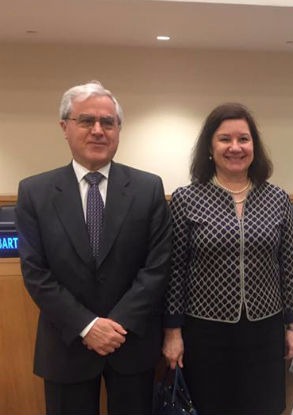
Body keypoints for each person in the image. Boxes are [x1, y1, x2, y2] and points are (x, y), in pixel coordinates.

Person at [15, 81, 172, 414]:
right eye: (86, 121)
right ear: (65, 128)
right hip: (66, 345)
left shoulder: (148, 188)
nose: (98, 130)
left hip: (131, 345)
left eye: (108, 122)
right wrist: (87, 326)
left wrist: (116, 326)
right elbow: (36, 272)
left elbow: (157, 266)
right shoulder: (34, 192)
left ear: (118, 130)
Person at [162, 103, 293, 415]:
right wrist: (172, 332)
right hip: (205, 332)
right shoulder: (187, 198)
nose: (236, 147)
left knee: (262, 406)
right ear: (210, 148)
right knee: (212, 406)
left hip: (264, 329)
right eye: (225, 139)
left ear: (254, 146)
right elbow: (175, 271)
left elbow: (289, 265)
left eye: (244, 139)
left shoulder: (277, 198)